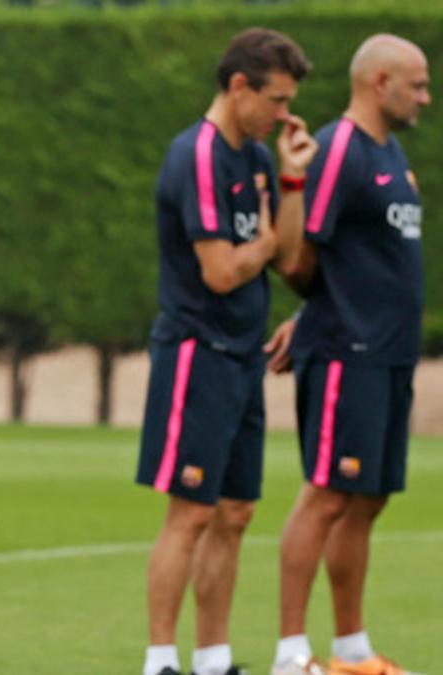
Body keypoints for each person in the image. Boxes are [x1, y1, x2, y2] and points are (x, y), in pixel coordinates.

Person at [134, 28, 316, 675]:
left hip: (243, 356)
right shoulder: (198, 156)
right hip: (196, 353)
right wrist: (264, 245)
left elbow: (287, 254)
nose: (283, 114)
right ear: (239, 86)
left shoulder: (260, 159)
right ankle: (160, 661)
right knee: (190, 512)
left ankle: (213, 659)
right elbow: (220, 270)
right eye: (276, 100)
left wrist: (293, 183)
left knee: (235, 512)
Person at [265, 33, 430, 675]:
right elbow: (302, 257)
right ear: (379, 80)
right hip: (347, 352)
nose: (425, 95)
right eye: (416, 84)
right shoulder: (338, 150)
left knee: (369, 498)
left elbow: (359, 259)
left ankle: (353, 649)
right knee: (328, 493)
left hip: (388, 355)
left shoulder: (392, 153)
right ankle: (289, 654)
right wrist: (310, 319)